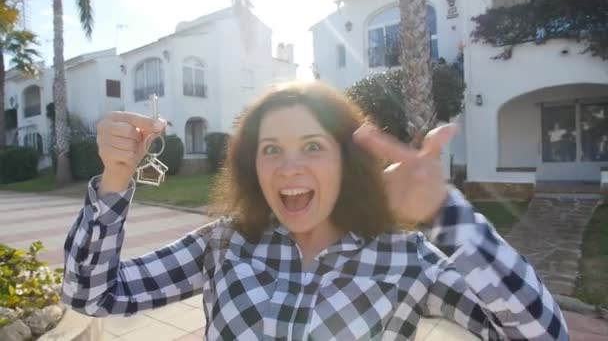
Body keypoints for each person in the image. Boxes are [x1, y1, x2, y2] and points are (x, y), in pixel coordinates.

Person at [61, 82, 568, 340]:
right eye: (271, 149)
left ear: (346, 161)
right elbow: (92, 295)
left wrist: (447, 214)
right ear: (251, 167)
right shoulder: (223, 244)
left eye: (312, 146)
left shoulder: (407, 260)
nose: (288, 168)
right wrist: (116, 179)